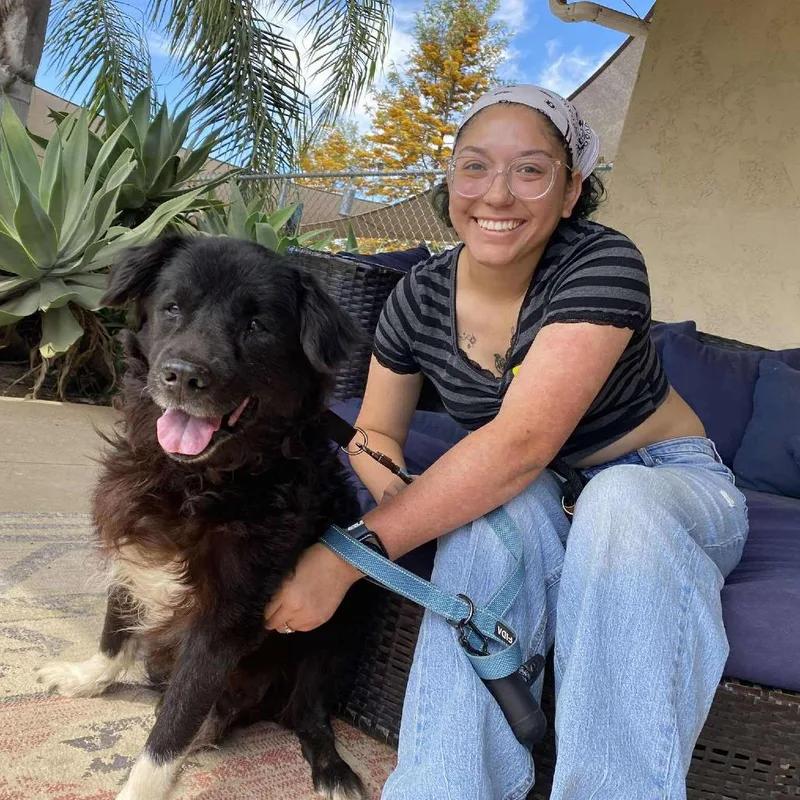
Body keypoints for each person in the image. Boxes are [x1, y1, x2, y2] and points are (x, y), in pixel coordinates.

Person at [263, 84, 749, 800]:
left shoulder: (601, 262)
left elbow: (520, 444)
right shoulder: (418, 297)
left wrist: (347, 556)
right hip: (538, 495)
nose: (497, 194)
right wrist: (409, 498)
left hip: (665, 484)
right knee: (482, 519)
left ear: (570, 189)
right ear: (449, 182)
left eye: (530, 170)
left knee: (616, 500)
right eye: (473, 166)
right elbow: (374, 433)